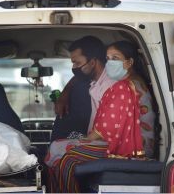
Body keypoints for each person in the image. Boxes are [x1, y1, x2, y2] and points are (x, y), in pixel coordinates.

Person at [48, 41, 149, 193]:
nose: (109, 63)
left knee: (67, 159)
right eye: (108, 58)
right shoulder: (111, 82)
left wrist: (84, 141)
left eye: (115, 58)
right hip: (113, 141)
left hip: (122, 146)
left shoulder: (119, 86)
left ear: (129, 62)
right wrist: (65, 93)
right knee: (57, 148)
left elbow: (107, 129)